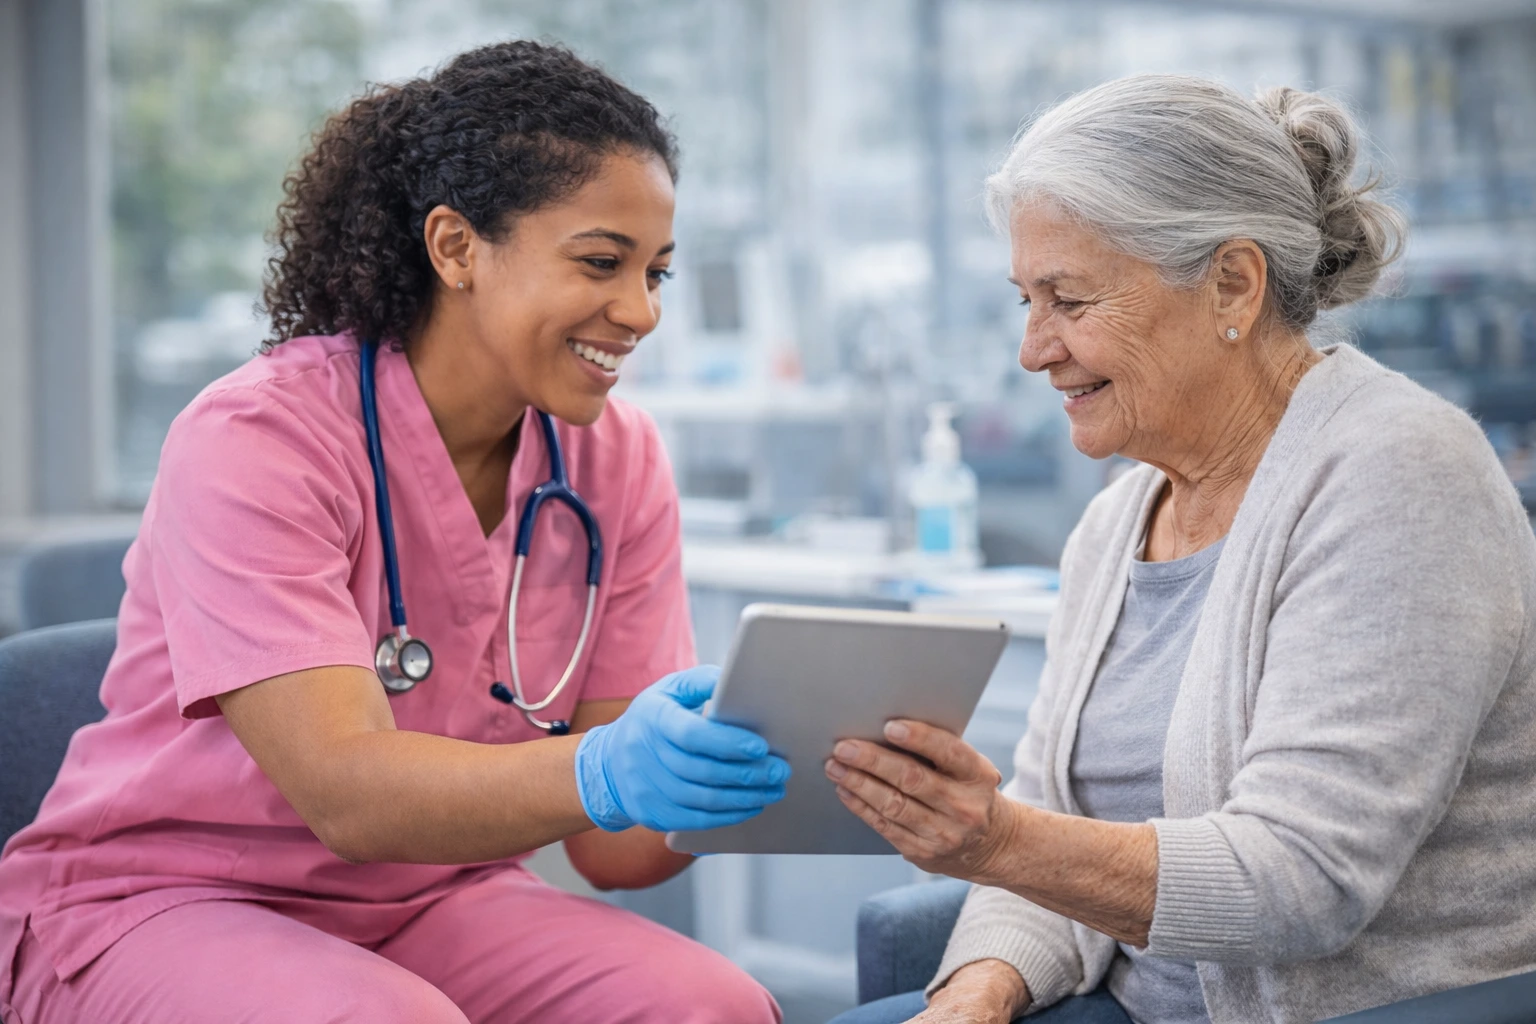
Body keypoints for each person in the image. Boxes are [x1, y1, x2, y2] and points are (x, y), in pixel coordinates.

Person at [0, 41, 788, 1024]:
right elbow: (349, 797)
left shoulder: (611, 461)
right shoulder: (260, 438)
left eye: (657, 273)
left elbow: (615, 852)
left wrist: (755, 759)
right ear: (455, 247)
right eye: (600, 262)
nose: (639, 311)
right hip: (165, 898)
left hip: (430, 895)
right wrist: (603, 765)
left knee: (709, 1005)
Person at [825, 75, 1536, 1024]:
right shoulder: (1115, 523)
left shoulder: (1401, 473)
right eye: (1025, 300)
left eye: (1069, 299)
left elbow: (1302, 879)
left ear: (1232, 284)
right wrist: (977, 996)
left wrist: (993, 840)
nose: (1035, 349)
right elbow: (1053, 824)